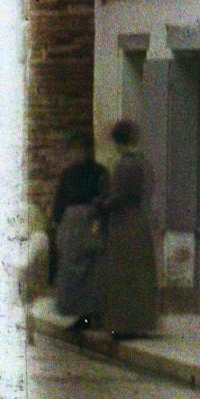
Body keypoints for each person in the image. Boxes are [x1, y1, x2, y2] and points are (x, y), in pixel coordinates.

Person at [97, 120, 159, 338]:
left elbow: (121, 196)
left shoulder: (126, 164)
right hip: (139, 220)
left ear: (117, 141)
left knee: (124, 273)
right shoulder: (144, 162)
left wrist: (102, 205)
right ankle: (140, 322)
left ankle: (126, 325)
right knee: (139, 273)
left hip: (124, 222)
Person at [50, 132, 109, 327]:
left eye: (80, 150)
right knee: (73, 268)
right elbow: (60, 201)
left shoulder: (99, 172)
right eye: (74, 151)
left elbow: (105, 198)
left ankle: (95, 313)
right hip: (72, 224)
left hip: (91, 220)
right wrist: (57, 221)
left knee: (94, 268)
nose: (77, 154)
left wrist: (98, 225)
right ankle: (80, 314)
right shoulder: (69, 174)